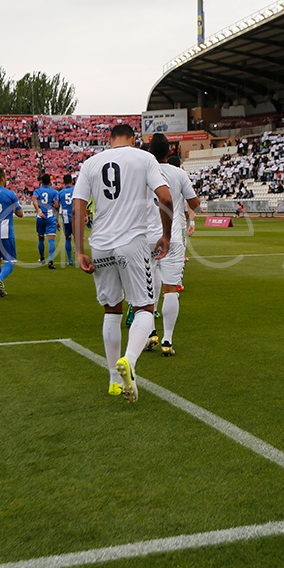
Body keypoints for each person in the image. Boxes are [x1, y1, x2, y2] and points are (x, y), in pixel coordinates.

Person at [72, 123, 173, 403]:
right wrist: (165, 235)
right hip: (131, 241)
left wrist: (79, 249)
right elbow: (164, 197)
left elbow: (78, 206)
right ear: (133, 139)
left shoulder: (91, 163)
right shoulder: (144, 158)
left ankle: (114, 382)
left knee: (111, 310)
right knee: (144, 307)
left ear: (110, 139)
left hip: (100, 243)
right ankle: (129, 360)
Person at [149, 138, 201, 357]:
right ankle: (167, 340)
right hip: (171, 236)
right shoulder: (179, 173)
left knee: (146, 286)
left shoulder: (144, 171)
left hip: (146, 236)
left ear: (150, 151)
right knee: (171, 288)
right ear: (169, 151)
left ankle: (150, 332)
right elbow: (195, 204)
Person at [0, 168, 24, 296]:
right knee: (10, 260)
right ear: (2, 178)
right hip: (5, 231)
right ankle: (0, 279)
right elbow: (20, 213)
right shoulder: (10, 194)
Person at [32, 173, 59, 269]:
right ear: (50, 182)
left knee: (41, 238)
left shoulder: (37, 191)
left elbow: (34, 200)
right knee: (51, 239)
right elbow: (56, 205)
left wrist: (38, 210)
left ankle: (42, 258)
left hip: (40, 217)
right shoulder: (54, 192)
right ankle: (51, 260)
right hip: (51, 216)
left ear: (41, 182)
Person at [57, 174, 76, 266]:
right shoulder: (76, 190)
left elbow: (57, 207)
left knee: (67, 238)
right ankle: (80, 257)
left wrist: (56, 220)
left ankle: (70, 260)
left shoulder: (60, 193)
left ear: (63, 182)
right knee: (78, 238)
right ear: (72, 181)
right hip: (75, 215)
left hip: (66, 217)